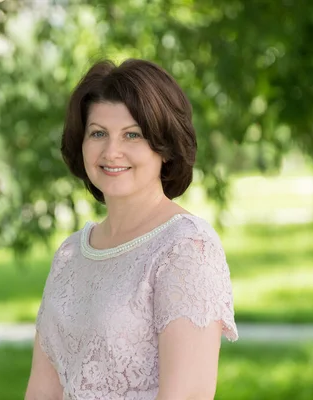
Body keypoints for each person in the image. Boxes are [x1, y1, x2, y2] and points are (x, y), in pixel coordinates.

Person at [25, 59, 238, 400]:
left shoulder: (185, 248)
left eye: (132, 135)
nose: (112, 152)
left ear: (165, 147)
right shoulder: (70, 255)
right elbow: (41, 390)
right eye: (98, 133)